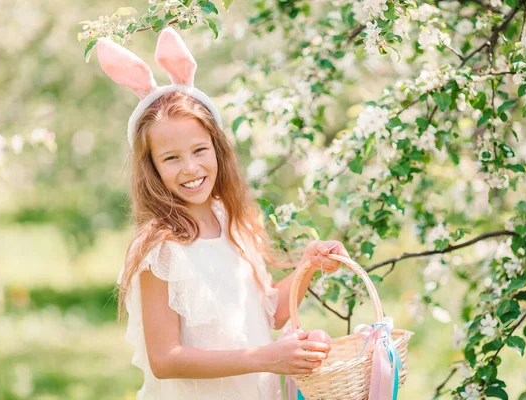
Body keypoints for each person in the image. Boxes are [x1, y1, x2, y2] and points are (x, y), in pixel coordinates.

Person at [95, 27, 349, 400]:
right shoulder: (161, 249)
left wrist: (307, 265)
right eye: (171, 158)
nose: (190, 168)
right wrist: (266, 358)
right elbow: (166, 359)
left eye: (199, 150)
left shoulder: (231, 222)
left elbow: (270, 314)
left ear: (218, 149)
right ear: (152, 168)